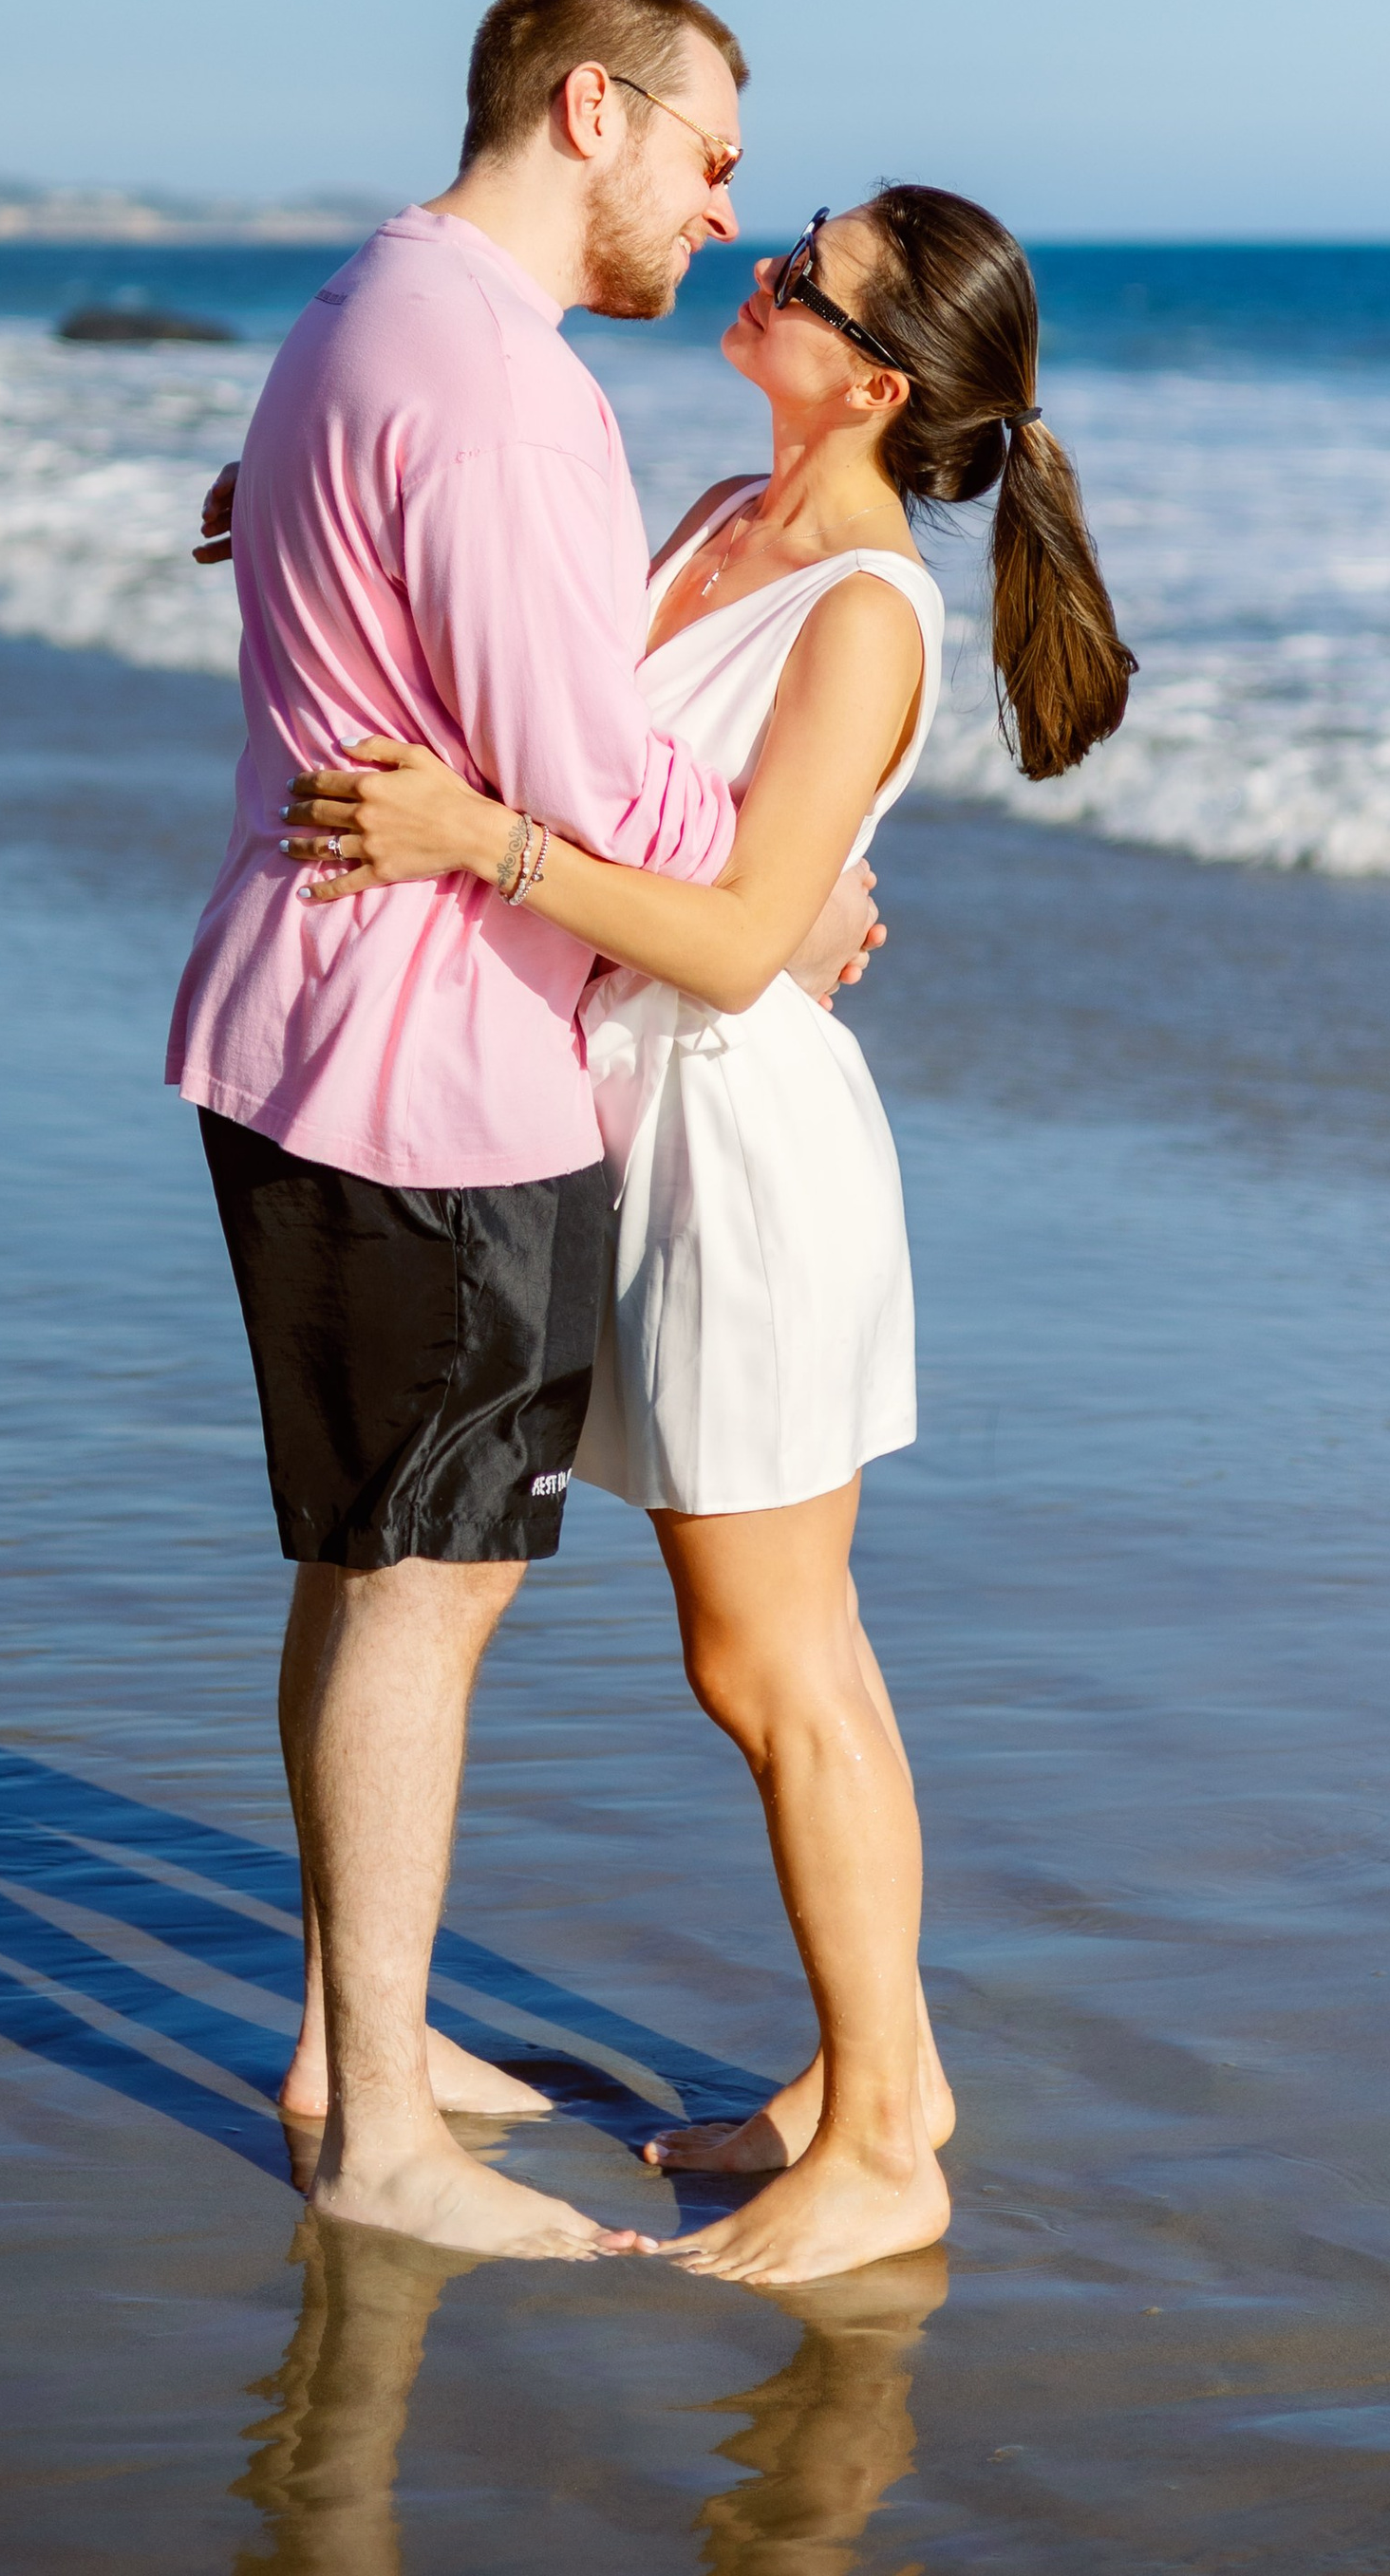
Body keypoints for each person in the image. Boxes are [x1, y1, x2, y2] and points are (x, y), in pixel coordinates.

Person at [282, 185, 1135, 2283]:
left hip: (737, 1161)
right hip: (610, 1116)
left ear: (872, 378)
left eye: (803, 276)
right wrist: (287, 508)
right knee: (762, 1649)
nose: (758, 270)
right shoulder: (697, 518)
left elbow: (746, 936)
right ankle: (883, 2083)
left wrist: (479, 844)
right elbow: (521, 651)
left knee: (770, 1660)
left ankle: (885, 2152)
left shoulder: (860, 608)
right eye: (788, 237)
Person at [168, 0, 881, 2264]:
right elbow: (577, 773)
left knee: (374, 1563)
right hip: (427, 1068)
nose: (720, 212)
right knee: (428, 1579)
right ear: (594, 111)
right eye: (710, 158)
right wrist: (796, 875)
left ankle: (349, 2035)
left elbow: (421, 612)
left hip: (306, 1027)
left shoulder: (366, 306)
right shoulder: (501, 392)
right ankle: (377, 2124)